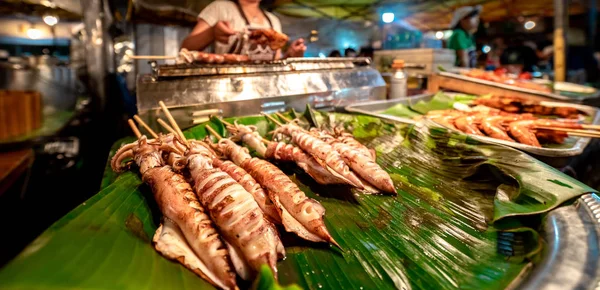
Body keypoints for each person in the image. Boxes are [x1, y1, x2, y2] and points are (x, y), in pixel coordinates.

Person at [181, 0, 306, 59]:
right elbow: (185, 48)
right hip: (223, 89)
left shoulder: (273, 20)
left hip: (260, 93)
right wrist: (211, 32)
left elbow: (275, 62)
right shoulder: (221, 8)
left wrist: (290, 55)